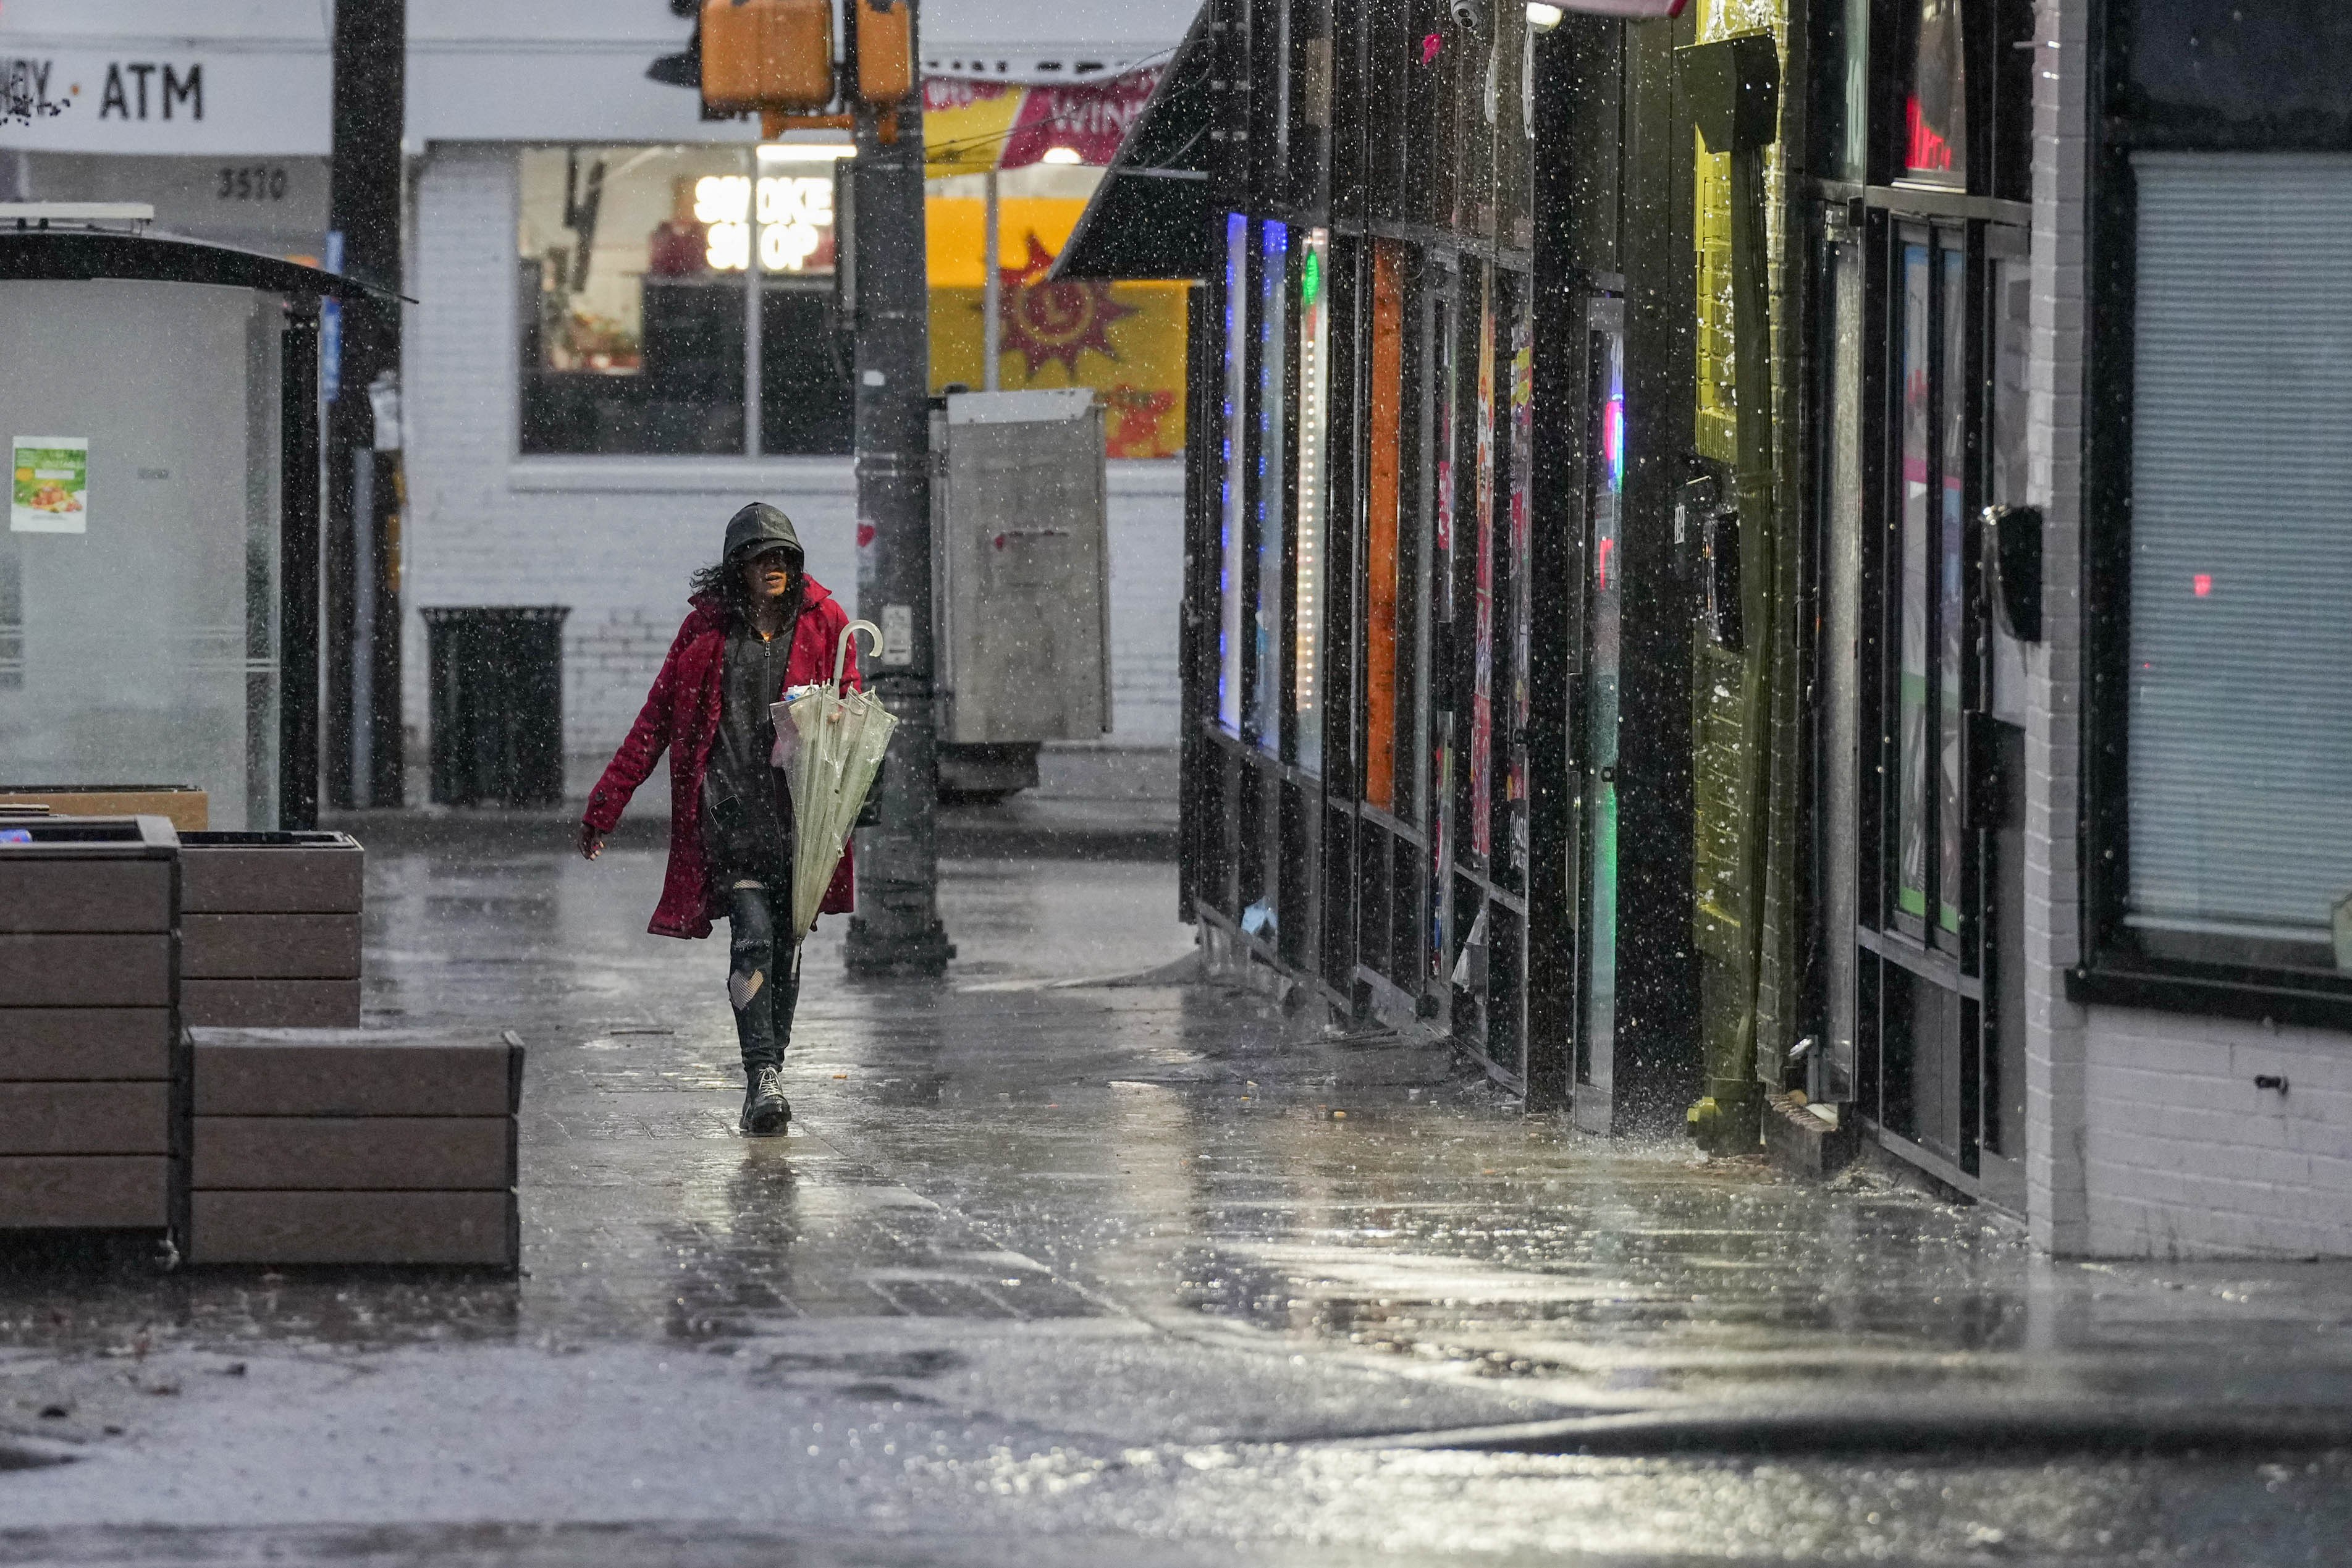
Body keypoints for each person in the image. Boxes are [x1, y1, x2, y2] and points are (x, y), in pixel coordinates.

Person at [576, 503, 860, 1136]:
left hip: (801, 825)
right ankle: (761, 1076)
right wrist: (605, 809)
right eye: (763, 558)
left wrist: (837, 718)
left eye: (784, 557)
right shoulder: (704, 634)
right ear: (739, 568)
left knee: (785, 952)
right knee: (753, 938)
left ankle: (771, 1074)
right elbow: (654, 724)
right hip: (728, 820)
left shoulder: (827, 625)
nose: (776, 569)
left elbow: (854, 706)